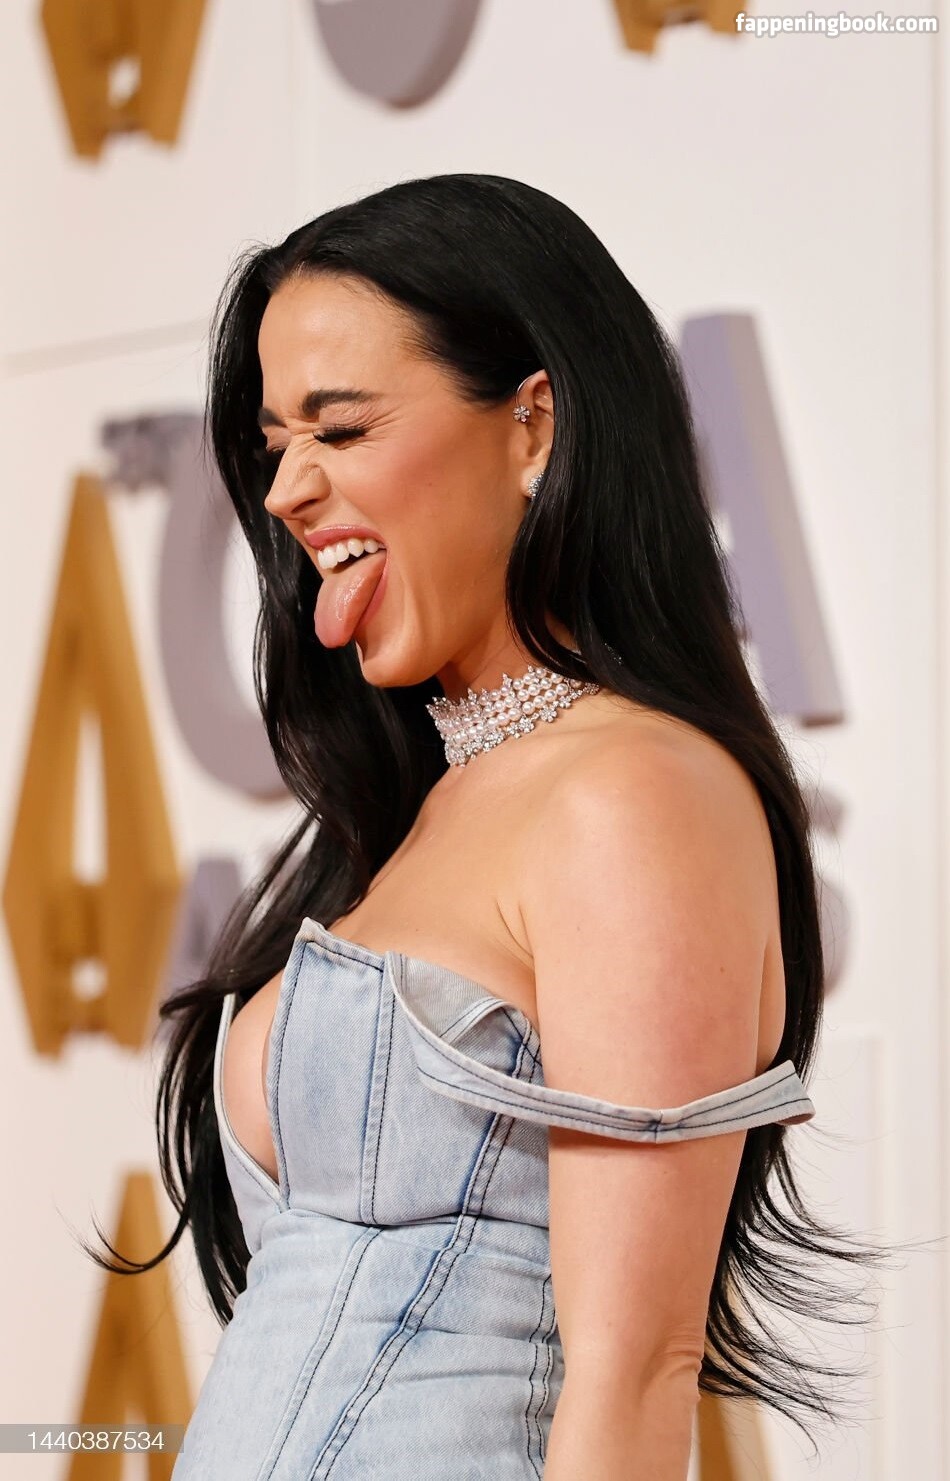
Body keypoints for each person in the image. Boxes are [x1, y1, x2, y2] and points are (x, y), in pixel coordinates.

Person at [87, 174, 888, 1479]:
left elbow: (636, 1370)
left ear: (532, 426)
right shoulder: (417, 813)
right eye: (276, 443)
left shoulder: (632, 794)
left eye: (341, 427)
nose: (287, 489)